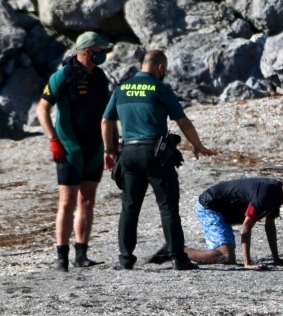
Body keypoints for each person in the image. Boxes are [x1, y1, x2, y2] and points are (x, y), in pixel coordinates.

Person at [101, 49, 214, 271]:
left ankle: (125, 258)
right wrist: (197, 146)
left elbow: (106, 122)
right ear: (160, 68)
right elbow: (183, 122)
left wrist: (108, 150)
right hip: (155, 153)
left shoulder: (121, 89)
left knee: (130, 206)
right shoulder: (160, 89)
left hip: (129, 153)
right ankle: (178, 258)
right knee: (168, 206)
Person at [36, 31, 114, 271]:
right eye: (101, 50)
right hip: (69, 148)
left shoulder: (100, 77)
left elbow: (108, 116)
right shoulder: (62, 76)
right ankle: (62, 257)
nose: (105, 54)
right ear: (88, 51)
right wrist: (53, 140)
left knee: (87, 201)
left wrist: (110, 147)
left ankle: (82, 254)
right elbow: (42, 109)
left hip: (94, 148)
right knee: (67, 202)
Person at [169, 177, 283, 269]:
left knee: (225, 256)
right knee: (226, 257)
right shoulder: (266, 194)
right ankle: (177, 251)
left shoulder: (277, 197)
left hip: (224, 211)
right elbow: (245, 228)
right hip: (210, 206)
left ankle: (178, 250)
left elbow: (270, 226)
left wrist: (276, 259)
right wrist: (247, 263)